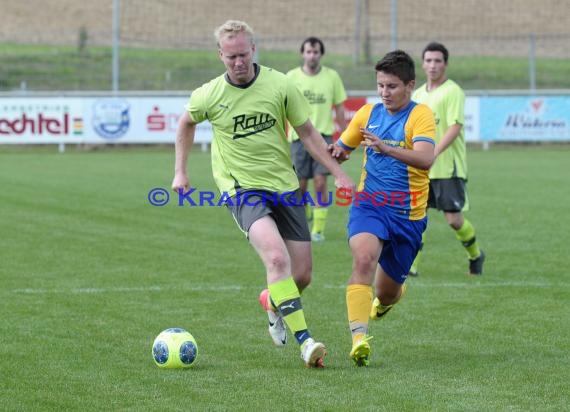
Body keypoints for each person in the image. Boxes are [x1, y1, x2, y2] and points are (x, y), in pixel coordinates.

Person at [171, 20, 355, 368]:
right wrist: (181, 171)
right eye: (230, 57)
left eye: (243, 54)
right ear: (220, 55)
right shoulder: (209, 94)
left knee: (301, 275)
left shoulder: (280, 85)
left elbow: (309, 133)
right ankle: (306, 343)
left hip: (283, 186)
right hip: (241, 189)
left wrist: (339, 174)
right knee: (275, 259)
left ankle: (272, 303)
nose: (238, 63)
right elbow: (186, 122)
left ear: (253, 49)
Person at [330, 50, 436, 366]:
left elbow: (426, 159)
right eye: (380, 85)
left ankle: (386, 301)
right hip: (370, 205)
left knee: (387, 292)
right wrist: (333, 153)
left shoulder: (421, 115)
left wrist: (386, 149)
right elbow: (343, 148)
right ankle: (359, 339)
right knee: (363, 258)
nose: (384, 93)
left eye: (391, 86)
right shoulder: (367, 114)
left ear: (410, 85)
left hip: (409, 216)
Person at [409, 42, 485, 277]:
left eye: (437, 61)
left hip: (447, 167)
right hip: (422, 169)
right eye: (429, 60)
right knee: (416, 217)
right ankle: (410, 268)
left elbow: (455, 127)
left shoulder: (453, 91)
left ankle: (475, 255)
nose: (433, 65)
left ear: (445, 64)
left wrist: (433, 153)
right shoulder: (418, 94)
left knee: (453, 220)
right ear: (422, 64)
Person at [287, 37, 347, 242]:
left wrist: (345, 138)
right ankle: (303, 223)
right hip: (299, 138)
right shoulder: (291, 77)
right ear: (302, 54)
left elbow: (339, 107)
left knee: (321, 183)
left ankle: (318, 230)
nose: (312, 55)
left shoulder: (332, 77)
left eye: (315, 52)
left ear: (321, 54)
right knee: (300, 185)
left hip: (325, 138)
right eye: (308, 52)